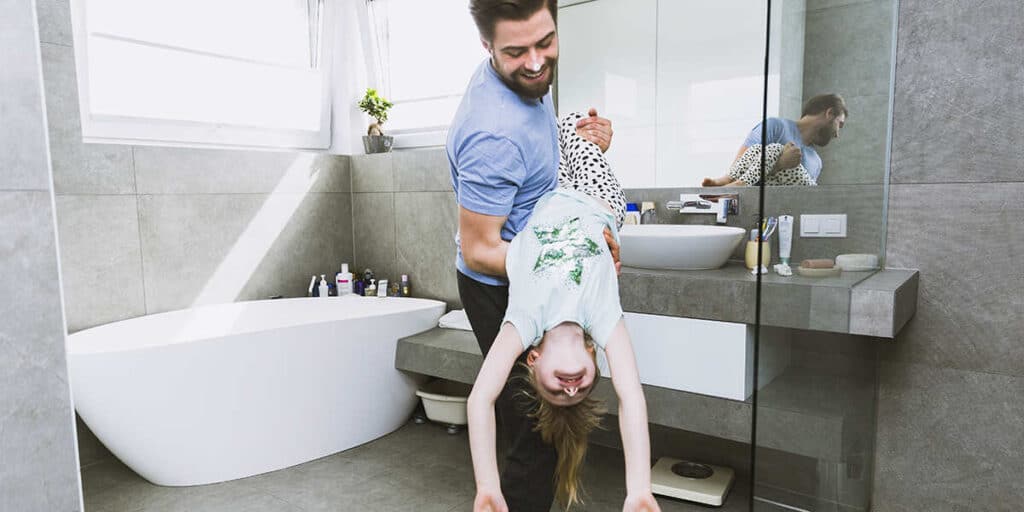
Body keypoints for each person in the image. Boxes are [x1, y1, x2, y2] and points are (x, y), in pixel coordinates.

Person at [447, 1, 618, 510]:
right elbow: (479, 249)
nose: (537, 62)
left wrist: (578, 140)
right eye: (516, 52)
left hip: (532, 267)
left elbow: (536, 162)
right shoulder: (492, 134)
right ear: (486, 47)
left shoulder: (526, 80)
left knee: (543, 429)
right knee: (535, 436)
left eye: (545, 42)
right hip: (499, 286)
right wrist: (572, 256)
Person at [468, 115, 659, 512]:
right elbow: (631, 396)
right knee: (575, 125)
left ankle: (555, 117)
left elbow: (481, 398)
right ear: (593, 360)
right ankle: (575, 123)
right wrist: (639, 487)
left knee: (537, 127)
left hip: (542, 197)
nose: (571, 389)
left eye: (557, 393)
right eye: (581, 391)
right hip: (597, 197)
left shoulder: (523, 321)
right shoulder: (605, 319)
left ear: (533, 361)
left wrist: (487, 485)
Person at [702, 93, 848, 186]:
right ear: (829, 114)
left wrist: (778, 166)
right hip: (761, 213)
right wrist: (779, 165)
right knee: (760, 150)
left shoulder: (816, 161)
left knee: (776, 149)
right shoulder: (775, 127)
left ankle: (726, 181)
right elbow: (740, 169)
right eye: (839, 124)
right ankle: (725, 181)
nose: (837, 134)